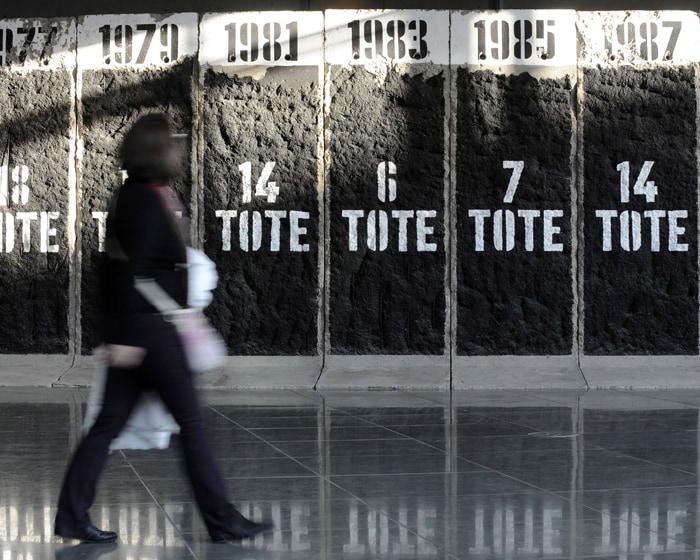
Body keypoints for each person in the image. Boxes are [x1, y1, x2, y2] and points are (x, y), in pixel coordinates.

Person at [54, 113, 273, 545]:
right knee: (191, 422)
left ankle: (71, 516)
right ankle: (222, 521)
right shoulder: (139, 199)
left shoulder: (144, 195)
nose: (178, 149)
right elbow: (124, 271)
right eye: (172, 142)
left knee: (106, 425)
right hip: (150, 333)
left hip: (141, 332)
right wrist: (126, 338)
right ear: (155, 150)